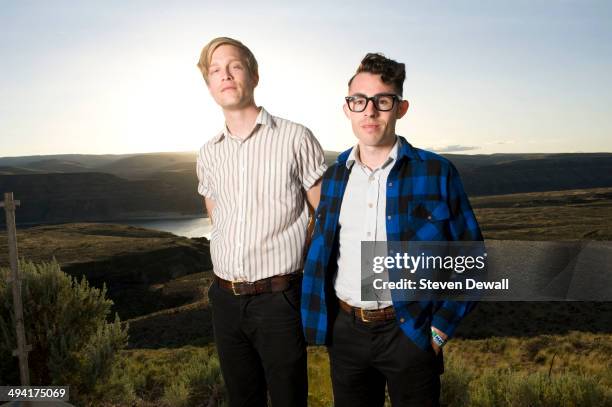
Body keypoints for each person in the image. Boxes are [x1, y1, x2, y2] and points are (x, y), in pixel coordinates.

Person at [301, 53, 483, 407]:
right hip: (347, 333)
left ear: (400, 108)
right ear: (348, 109)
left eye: (382, 101)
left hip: (411, 332)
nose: (369, 111)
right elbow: (324, 252)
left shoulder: (437, 172)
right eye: (359, 101)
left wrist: (439, 330)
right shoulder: (335, 176)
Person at [195, 36, 326, 407]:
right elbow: (216, 215)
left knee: (288, 399)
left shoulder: (295, 137)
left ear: (253, 74)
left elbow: (327, 217)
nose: (226, 75)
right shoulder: (208, 152)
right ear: (209, 85)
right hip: (224, 300)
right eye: (216, 70)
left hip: (278, 299)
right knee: (242, 399)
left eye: (234, 66)